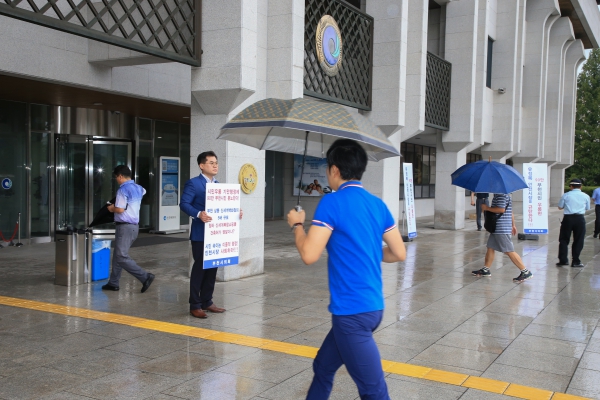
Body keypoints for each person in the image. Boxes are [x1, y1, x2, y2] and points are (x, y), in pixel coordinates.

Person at [287, 139, 406, 400]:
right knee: (323, 366)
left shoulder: (333, 203)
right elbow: (399, 252)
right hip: (372, 307)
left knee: (373, 391)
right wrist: (369, 253)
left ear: (334, 170)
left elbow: (309, 254)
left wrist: (297, 225)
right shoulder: (378, 204)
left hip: (352, 314)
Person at [180, 151, 243, 319]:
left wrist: (235, 212)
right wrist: (198, 213)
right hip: (201, 234)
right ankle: (195, 304)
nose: (215, 165)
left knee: (212, 268)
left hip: (217, 235)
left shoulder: (219, 186)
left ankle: (207, 301)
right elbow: (184, 204)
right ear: (201, 165)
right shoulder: (194, 184)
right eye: (211, 163)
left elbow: (224, 207)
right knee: (200, 268)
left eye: (216, 162)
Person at [102, 165, 155, 293]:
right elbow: (144, 192)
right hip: (133, 227)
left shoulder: (123, 190)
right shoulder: (139, 188)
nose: (116, 180)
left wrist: (111, 208)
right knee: (118, 255)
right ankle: (113, 282)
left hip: (125, 227)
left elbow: (120, 209)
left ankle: (145, 276)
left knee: (121, 255)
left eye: (116, 177)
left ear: (120, 176)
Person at [472, 193, 533, 283]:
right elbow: (510, 211)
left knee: (508, 250)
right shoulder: (505, 194)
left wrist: (487, 208)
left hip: (501, 228)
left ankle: (525, 271)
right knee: (490, 247)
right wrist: (513, 224)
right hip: (498, 227)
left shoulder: (501, 195)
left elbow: (501, 209)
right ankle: (486, 269)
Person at [556, 179, 590, 268]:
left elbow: (560, 207)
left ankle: (563, 260)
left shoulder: (566, 195)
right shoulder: (585, 196)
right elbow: (587, 208)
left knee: (564, 239)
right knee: (579, 240)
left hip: (568, 218)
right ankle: (576, 261)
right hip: (580, 219)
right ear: (581, 187)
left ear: (571, 186)